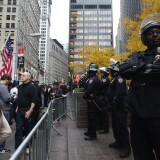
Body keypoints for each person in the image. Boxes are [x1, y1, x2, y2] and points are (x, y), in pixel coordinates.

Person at [119, 13, 160, 160]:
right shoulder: (137, 56)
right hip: (138, 117)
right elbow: (124, 70)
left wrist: (139, 70)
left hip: (157, 116)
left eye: (158, 32)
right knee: (141, 154)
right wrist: (147, 66)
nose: (155, 35)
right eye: (150, 33)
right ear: (143, 37)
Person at [107, 62, 131, 158]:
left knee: (122, 128)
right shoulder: (115, 79)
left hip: (119, 108)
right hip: (115, 108)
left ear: (114, 70)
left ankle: (126, 148)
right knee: (116, 127)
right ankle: (118, 142)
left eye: (111, 70)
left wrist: (113, 103)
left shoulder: (120, 78)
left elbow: (119, 94)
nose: (110, 72)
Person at [15, 72, 38, 149]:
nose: (22, 77)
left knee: (28, 130)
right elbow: (19, 98)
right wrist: (17, 107)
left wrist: (30, 111)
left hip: (28, 111)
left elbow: (34, 100)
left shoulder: (32, 87)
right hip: (19, 111)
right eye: (21, 75)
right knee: (18, 130)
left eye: (23, 75)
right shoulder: (20, 87)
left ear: (28, 77)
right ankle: (17, 149)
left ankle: (28, 147)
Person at [83, 63, 102, 141]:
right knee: (91, 118)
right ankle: (90, 131)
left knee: (92, 118)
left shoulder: (92, 79)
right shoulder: (95, 78)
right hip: (93, 101)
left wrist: (85, 95)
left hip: (93, 101)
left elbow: (88, 90)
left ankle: (93, 135)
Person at [0, 74, 12, 153]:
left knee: (5, 131)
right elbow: (7, 98)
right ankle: (1, 148)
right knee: (4, 130)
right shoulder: (3, 87)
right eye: (9, 80)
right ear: (7, 79)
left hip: (2, 109)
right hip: (4, 110)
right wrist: (11, 97)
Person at [98, 67, 110, 134]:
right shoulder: (104, 79)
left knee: (105, 115)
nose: (101, 74)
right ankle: (102, 127)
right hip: (102, 98)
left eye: (102, 72)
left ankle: (105, 129)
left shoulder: (106, 79)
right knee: (102, 115)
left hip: (104, 99)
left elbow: (100, 86)